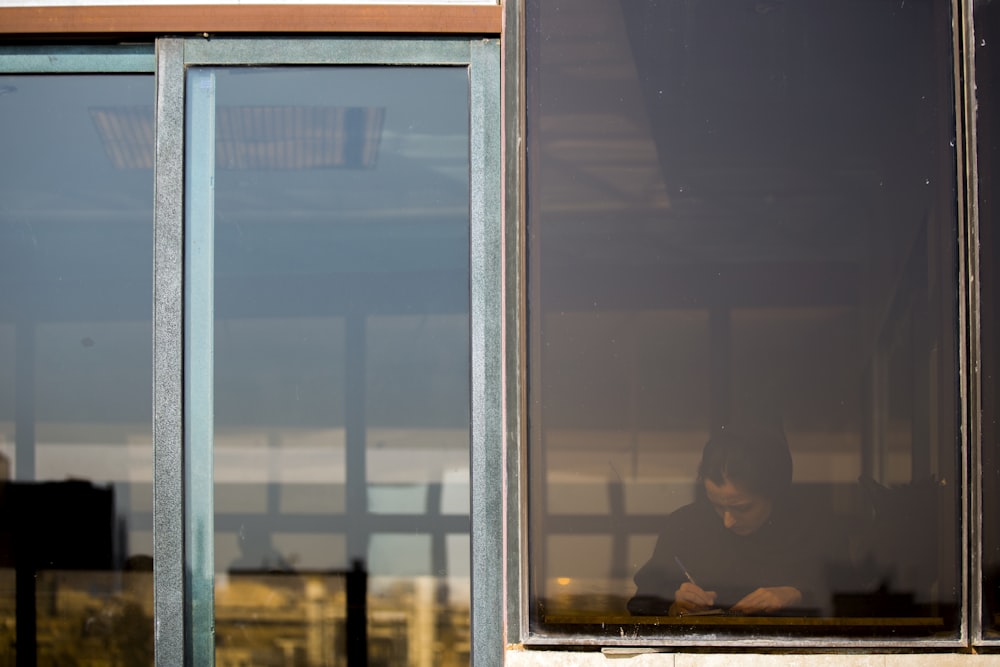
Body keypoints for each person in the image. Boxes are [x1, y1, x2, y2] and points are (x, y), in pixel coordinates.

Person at [628, 430, 834, 617]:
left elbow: (853, 606)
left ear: (773, 494)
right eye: (716, 505)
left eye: (742, 508)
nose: (728, 522)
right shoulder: (685, 525)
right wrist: (674, 607)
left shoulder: (812, 529)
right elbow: (642, 605)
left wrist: (798, 595)